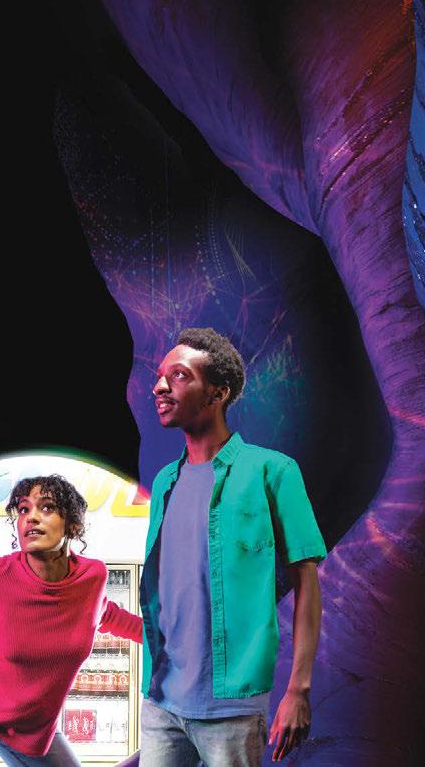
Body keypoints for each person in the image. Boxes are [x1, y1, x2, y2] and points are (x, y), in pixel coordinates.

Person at [140, 327, 327, 766]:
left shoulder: (273, 471)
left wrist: (298, 689)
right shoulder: (165, 481)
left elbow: (307, 582)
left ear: (218, 393)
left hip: (233, 708)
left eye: (179, 375)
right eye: (160, 375)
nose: (161, 386)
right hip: (161, 700)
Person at [0, 474, 143, 766]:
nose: (31, 517)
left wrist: (173, 642)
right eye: (23, 509)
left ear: (73, 525)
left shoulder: (91, 578)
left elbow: (110, 615)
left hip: (32, 729)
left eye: (47, 507)